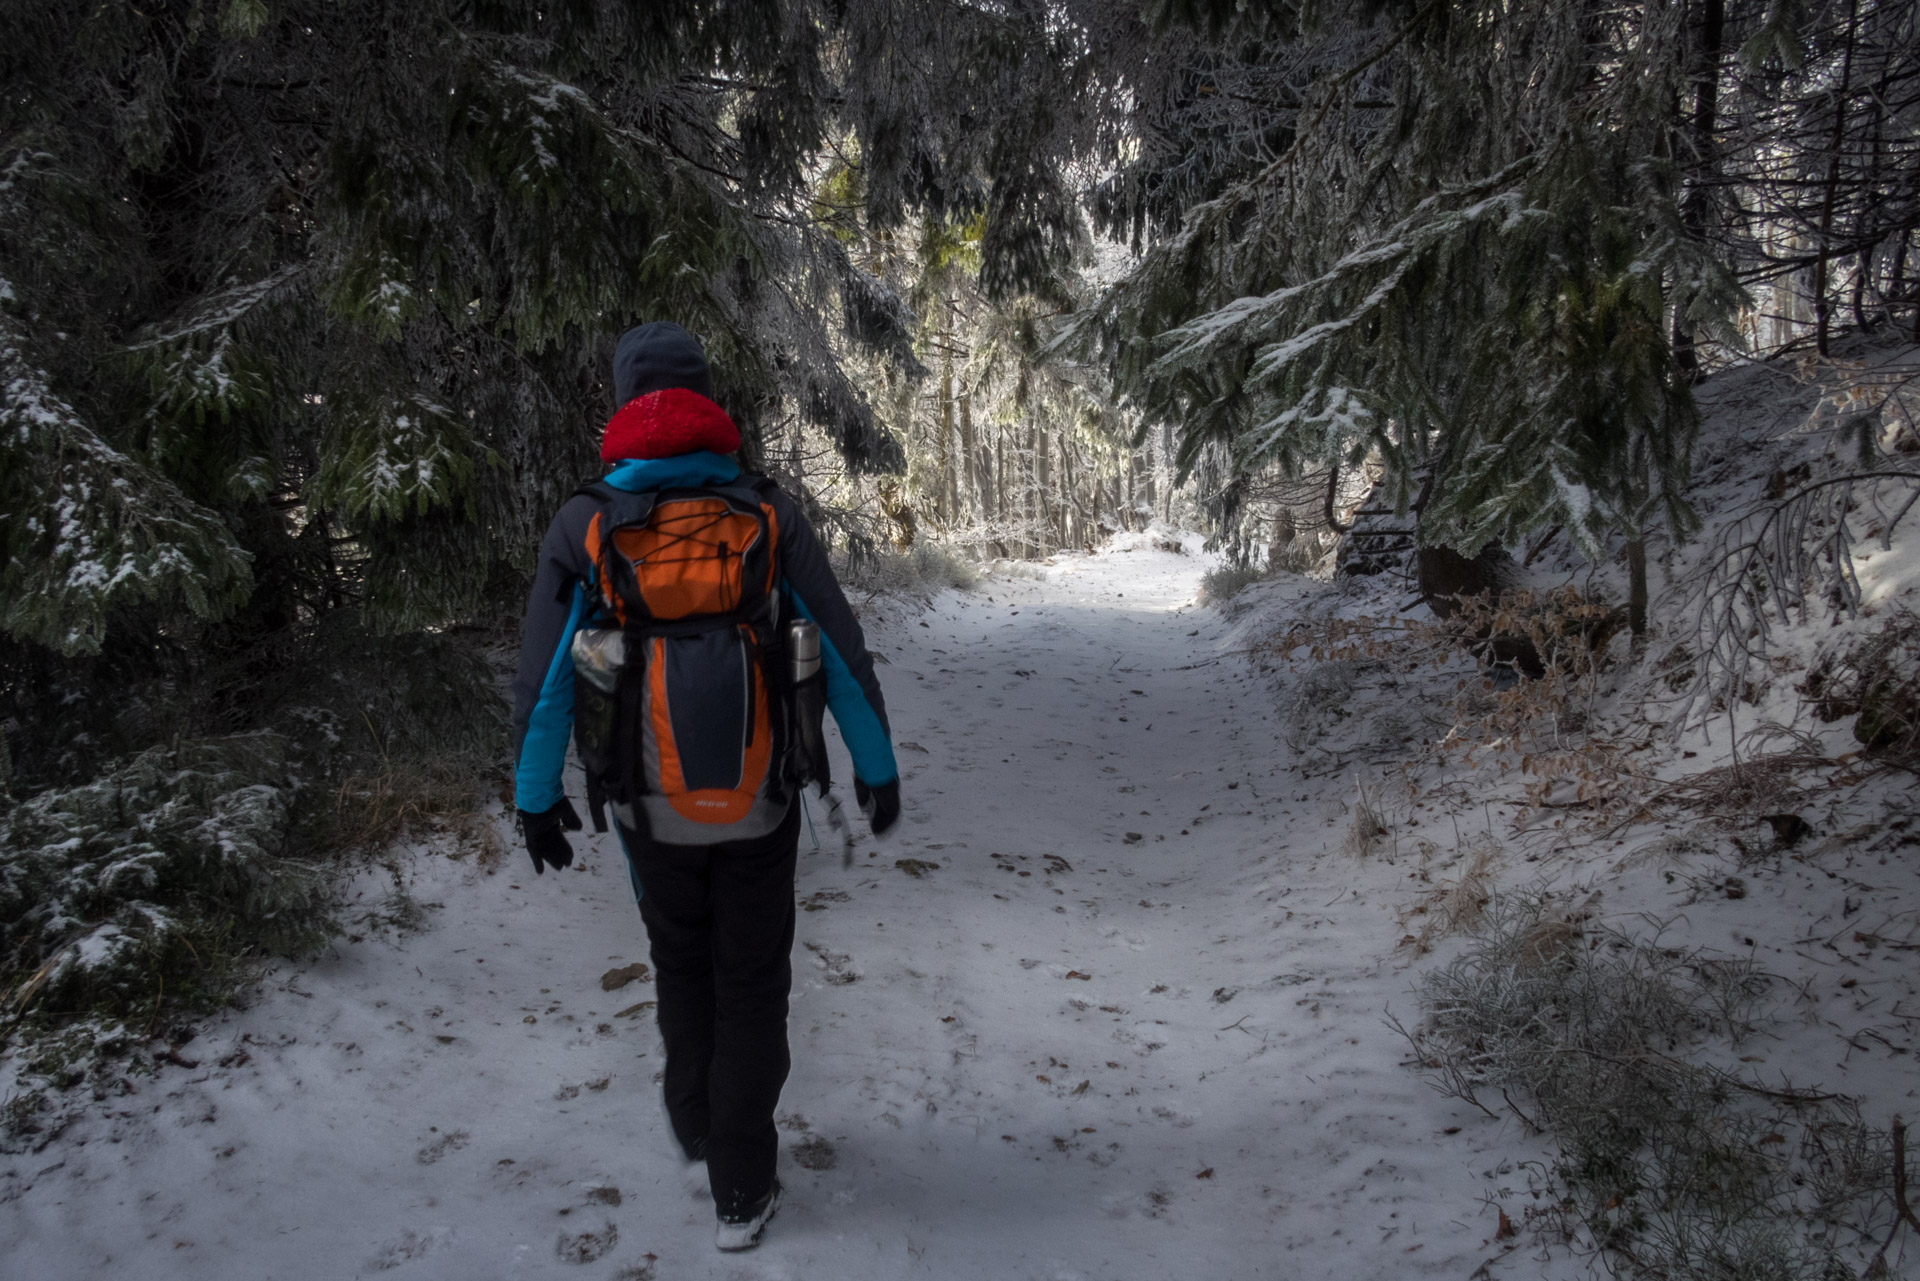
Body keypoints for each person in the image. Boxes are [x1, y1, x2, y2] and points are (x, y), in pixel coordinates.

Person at [510, 321, 900, 1251]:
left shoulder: (590, 521)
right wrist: (875, 767)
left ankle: (694, 1112)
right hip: (763, 798)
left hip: (648, 807)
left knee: (682, 961)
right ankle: (741, 1184)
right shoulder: (763, 510)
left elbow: (549, 675)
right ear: (706, 403)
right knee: (754, 980)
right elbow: (839, 652)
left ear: (625, 403)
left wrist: (534, 795)